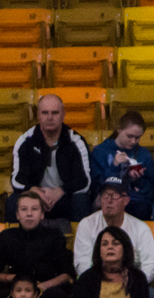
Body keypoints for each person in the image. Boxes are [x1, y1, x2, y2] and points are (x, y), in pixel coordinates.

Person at [8, 94, 92, 225]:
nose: (50, 117)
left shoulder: (76, 142)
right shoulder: (25, 141)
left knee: (81, 200)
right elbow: (17, 180)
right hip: (35, 198)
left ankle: (81, 243)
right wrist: (34, 191)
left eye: (55, 113)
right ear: (38, 115)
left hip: (64, 197)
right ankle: (16, 243)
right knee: (13, 201)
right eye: (45, 112)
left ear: (63, 115)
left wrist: (61, 191)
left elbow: (84, 181)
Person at [0, 192, 74, 298]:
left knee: (58, 296)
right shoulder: (6, 237)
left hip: (46, 289)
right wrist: (18, 282)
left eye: (34, 209)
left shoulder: (54, 236)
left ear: (42, 214)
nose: (29, 214)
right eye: (24, 209)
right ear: (17, 215)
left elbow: (67, 273)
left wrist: (43, 286)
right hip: (15, 288)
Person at [72, 175, 154, 283]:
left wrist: (135, 283)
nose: (109, 200)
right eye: (105, 195)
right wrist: (101, 285)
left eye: (115, 195)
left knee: (152, 296)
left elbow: (151, 264)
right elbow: (82, 263)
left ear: (126, 200)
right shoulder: (87, 224)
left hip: (130, 285)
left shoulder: (141, 228)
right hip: (96, 285)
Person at [89, 110, 154, 220]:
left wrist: (137, 180)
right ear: (119, 130)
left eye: (137, 137)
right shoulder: (101, 151)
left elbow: (152, 190)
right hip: (108, 200)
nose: (133, 141)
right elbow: (97, 186)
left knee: (143, 206)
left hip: (135, 202)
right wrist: (114, 166)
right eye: (129, 136)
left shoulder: (144, 155)